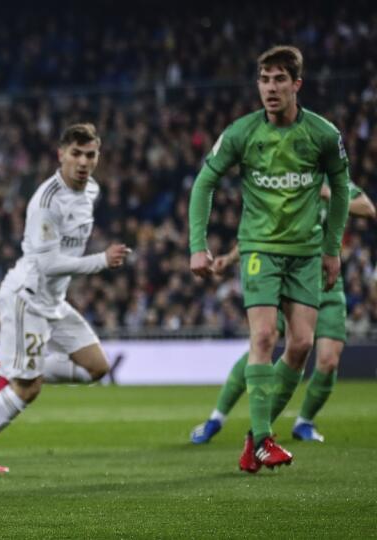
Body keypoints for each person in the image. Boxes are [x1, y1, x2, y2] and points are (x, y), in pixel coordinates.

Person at [188, 45, 351, 473]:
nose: (270, 88)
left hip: (306, 254)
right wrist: (197, 246)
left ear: (297, 84)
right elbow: (204, 182)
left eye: (279, 79)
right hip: (259, 249)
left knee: (300, 346)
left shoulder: (322, 134)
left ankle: (254, 435)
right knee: (263, 338)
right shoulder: (242, 133)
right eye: (263, 79)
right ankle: (263, 439)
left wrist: (332, 249)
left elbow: (342, 190)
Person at [0, 123, 129, 473]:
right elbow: (48, 264)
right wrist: (101, 261)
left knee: (97, 367)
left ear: (98, 156)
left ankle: (8, 368)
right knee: (28, 389)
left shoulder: (91, 190)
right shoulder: (46, 201)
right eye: (75, 154)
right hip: (27, 297)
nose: (83, 162)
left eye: (90, 154)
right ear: (60, 154)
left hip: (54, 301)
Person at [190, 182, 375, 444]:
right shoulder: (289, 178)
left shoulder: (334, 178)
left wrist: (329, 193)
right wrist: (230, 259)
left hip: (327, 283)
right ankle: (216, 419)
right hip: (289, 279)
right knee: (262, 341)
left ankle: (303, 422)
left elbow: (368, 208)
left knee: (329, 359)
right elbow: (263, 231)